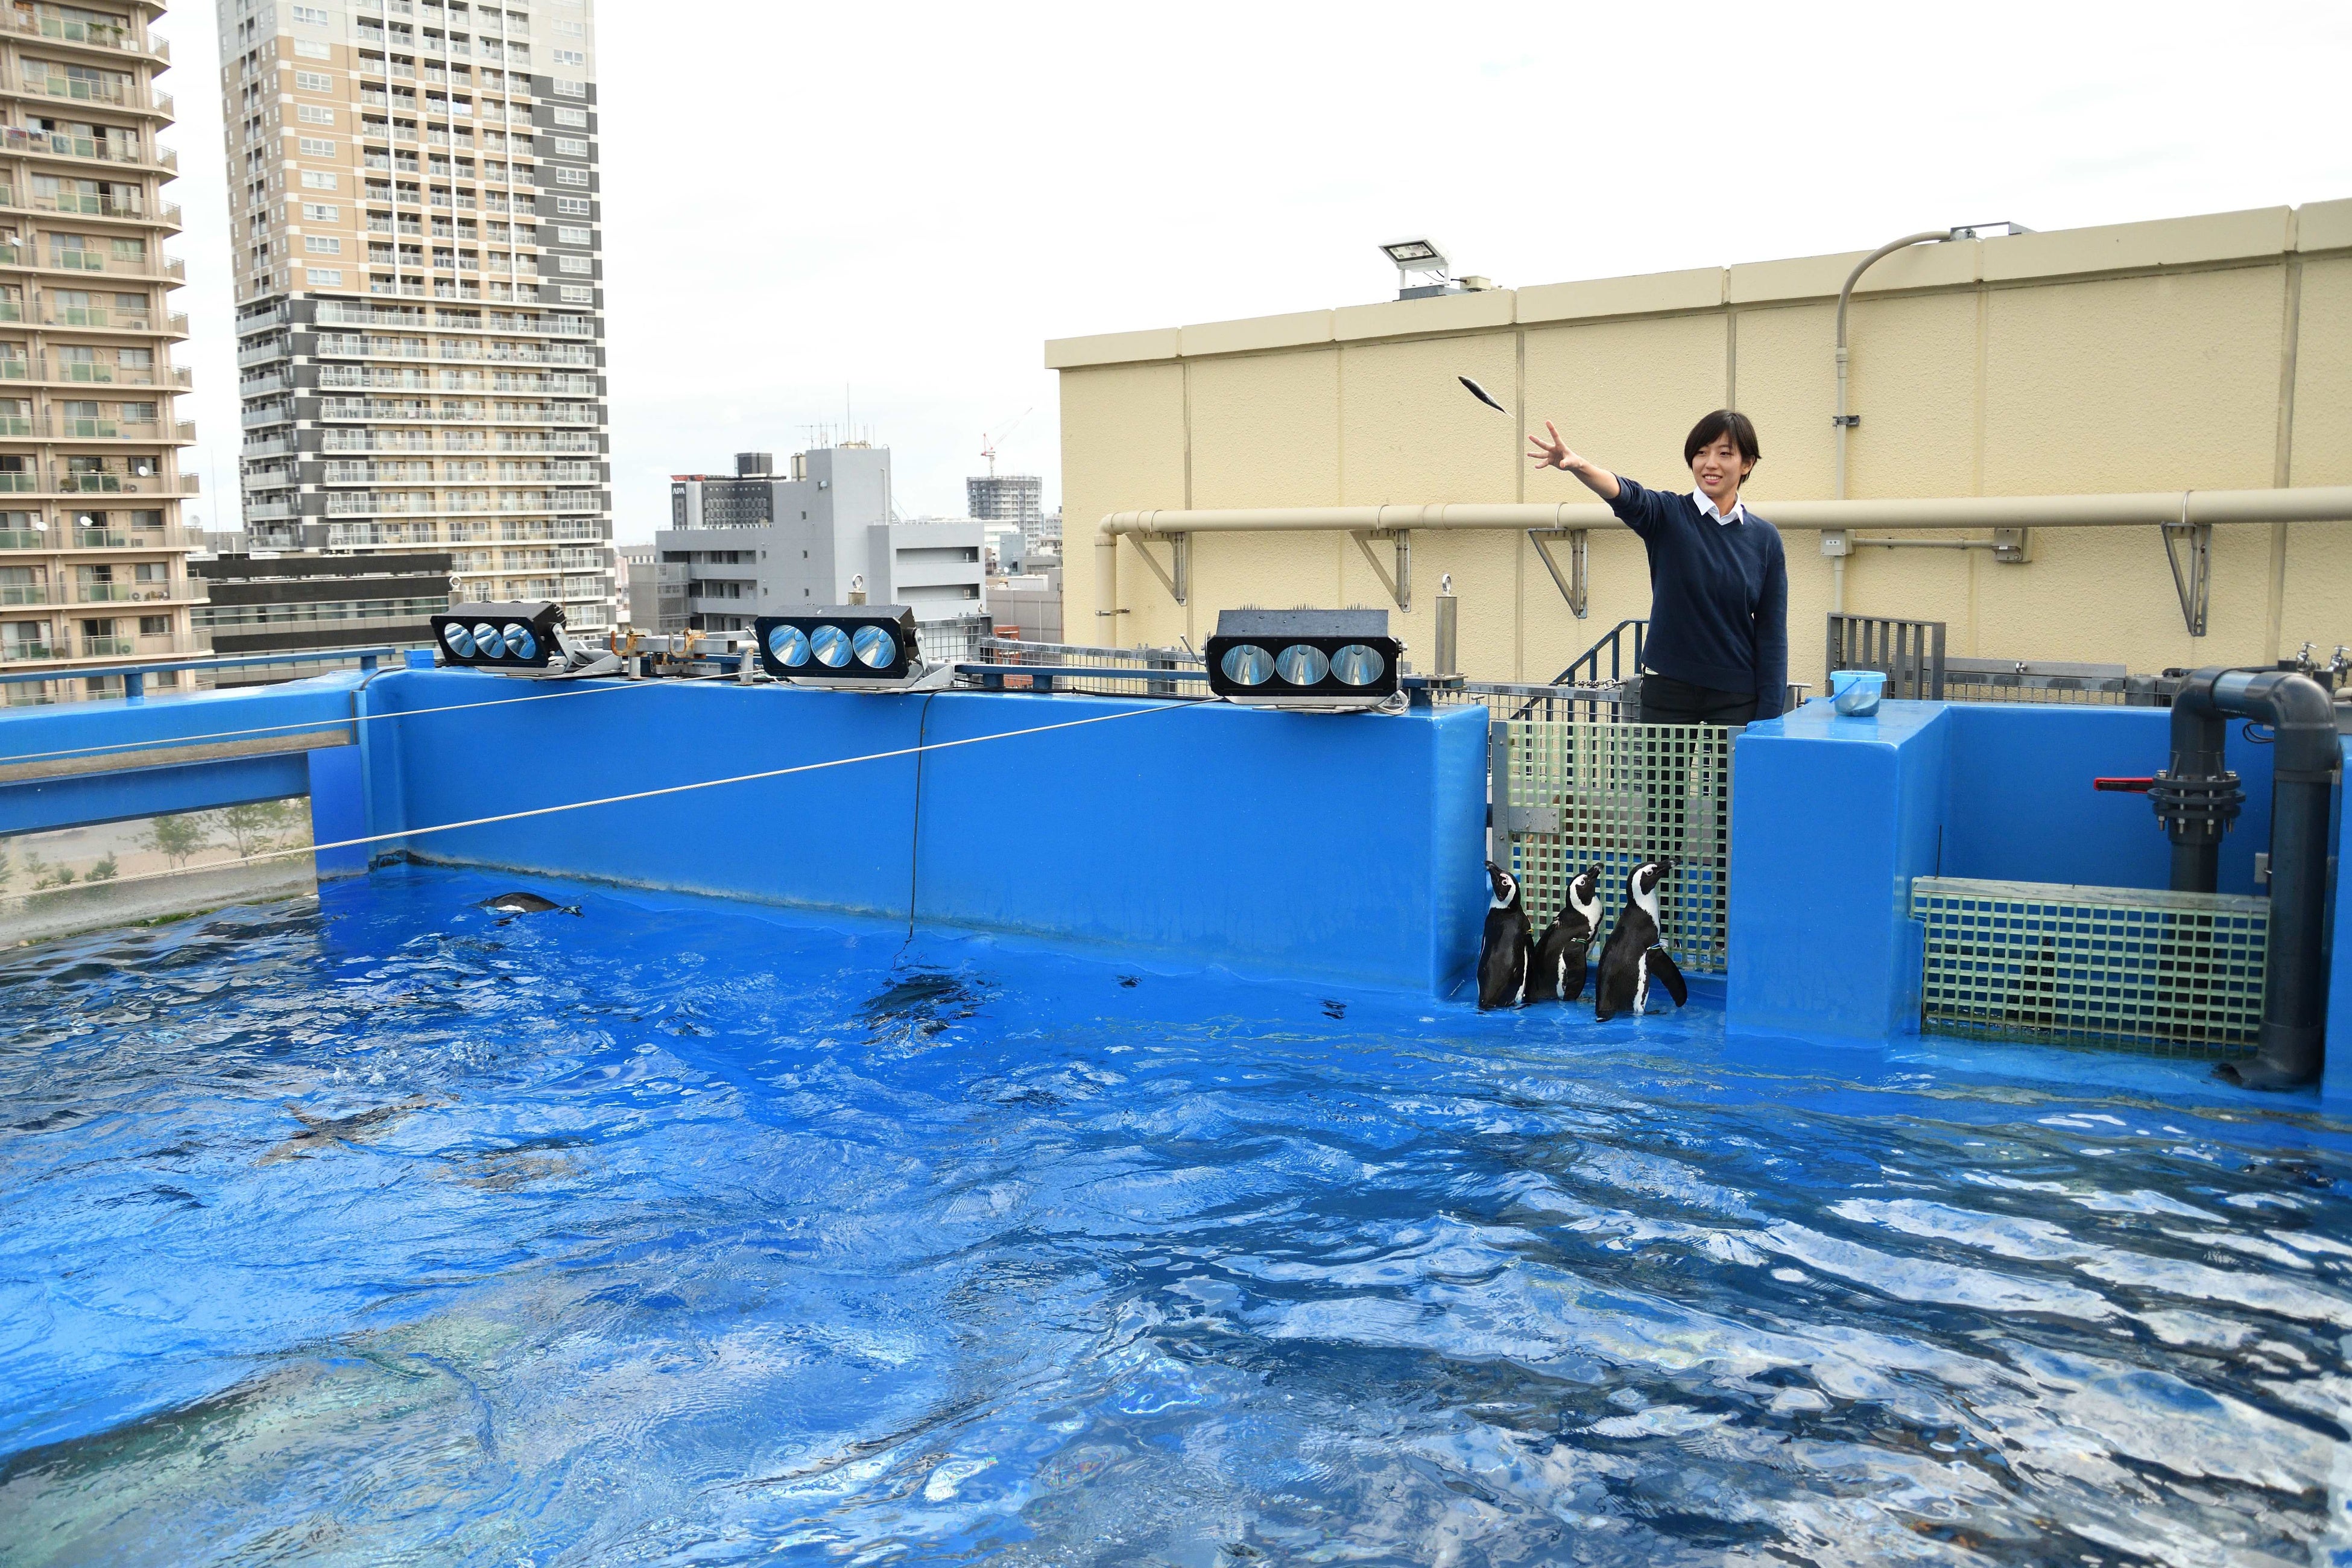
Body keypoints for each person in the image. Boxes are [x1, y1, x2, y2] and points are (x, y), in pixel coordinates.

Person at [1526, 409, 1786, 727]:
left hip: (1737, 695)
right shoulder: (1669, 514)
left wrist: (1769, 717)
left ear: (1747, 464)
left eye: (1724, 454)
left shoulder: (1765, 539)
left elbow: (1772, 632)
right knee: (1659, 764)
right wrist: (1580, 466)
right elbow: (1628, 495)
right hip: (1668, 690)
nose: (1710, 463)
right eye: (1701, 453)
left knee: (1734, 764)